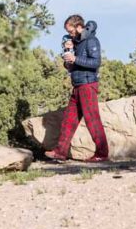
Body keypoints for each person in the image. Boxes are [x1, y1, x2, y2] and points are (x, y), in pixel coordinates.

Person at [45, 14, 109, 163]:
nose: (70, 34)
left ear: (79, 27)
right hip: (77, 85)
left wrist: (75, 59)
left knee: (92, 120)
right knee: (69, 120)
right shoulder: (76, 43)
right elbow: (71, 66)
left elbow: (96, 62)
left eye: (71, 31)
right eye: (68, 32)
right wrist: (68, 57)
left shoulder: (91, 40)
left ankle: (102, 154)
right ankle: (60, 152)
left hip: (87, 84)